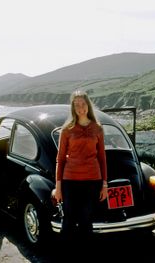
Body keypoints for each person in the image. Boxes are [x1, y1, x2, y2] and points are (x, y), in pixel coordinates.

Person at [53, 90, 108, 255]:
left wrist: (104, 184)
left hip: (92, 181)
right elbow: (60, 159)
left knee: (86, 221)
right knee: (68, 221)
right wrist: (58, 187)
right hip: (70, 180)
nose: (80, 108)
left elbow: (102, 158)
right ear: (73, 107)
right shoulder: (67, 130)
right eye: (76, 105)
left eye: (83, 104)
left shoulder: (97, 128)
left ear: (88, 105)